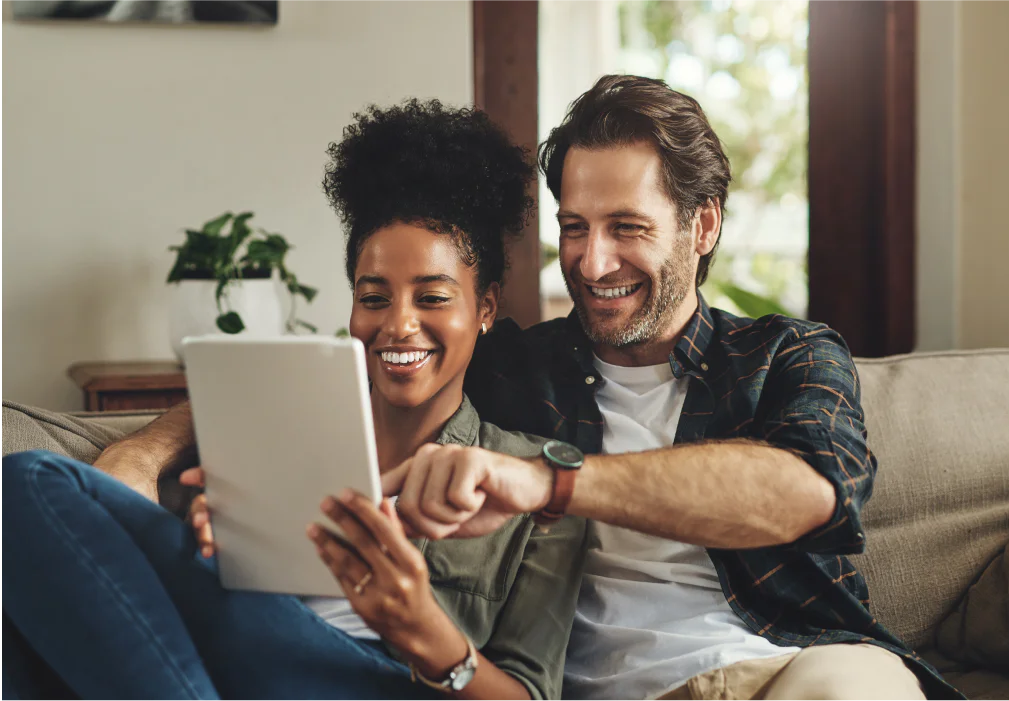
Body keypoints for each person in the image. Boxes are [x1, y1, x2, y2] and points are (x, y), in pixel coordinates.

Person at [85, 75, 962, 701]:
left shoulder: (789, 355)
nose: (592, 261)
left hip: (788, 669)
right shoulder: (512, 362)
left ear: (702, 225)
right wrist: (142, 452)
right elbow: (340, 361)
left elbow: (797, 493)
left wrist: (551, 482)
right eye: (573, 229)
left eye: (626, 228)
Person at [0, 100, 585, 701]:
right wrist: (206, 539)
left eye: (433, 297)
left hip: (381, 679)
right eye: (374, 296)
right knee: (22, 529)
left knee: (33, 481)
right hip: (234, 661)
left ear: (484, 308)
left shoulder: (533, 483)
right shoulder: (283, 429)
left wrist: (418, 625)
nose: (399, 325)